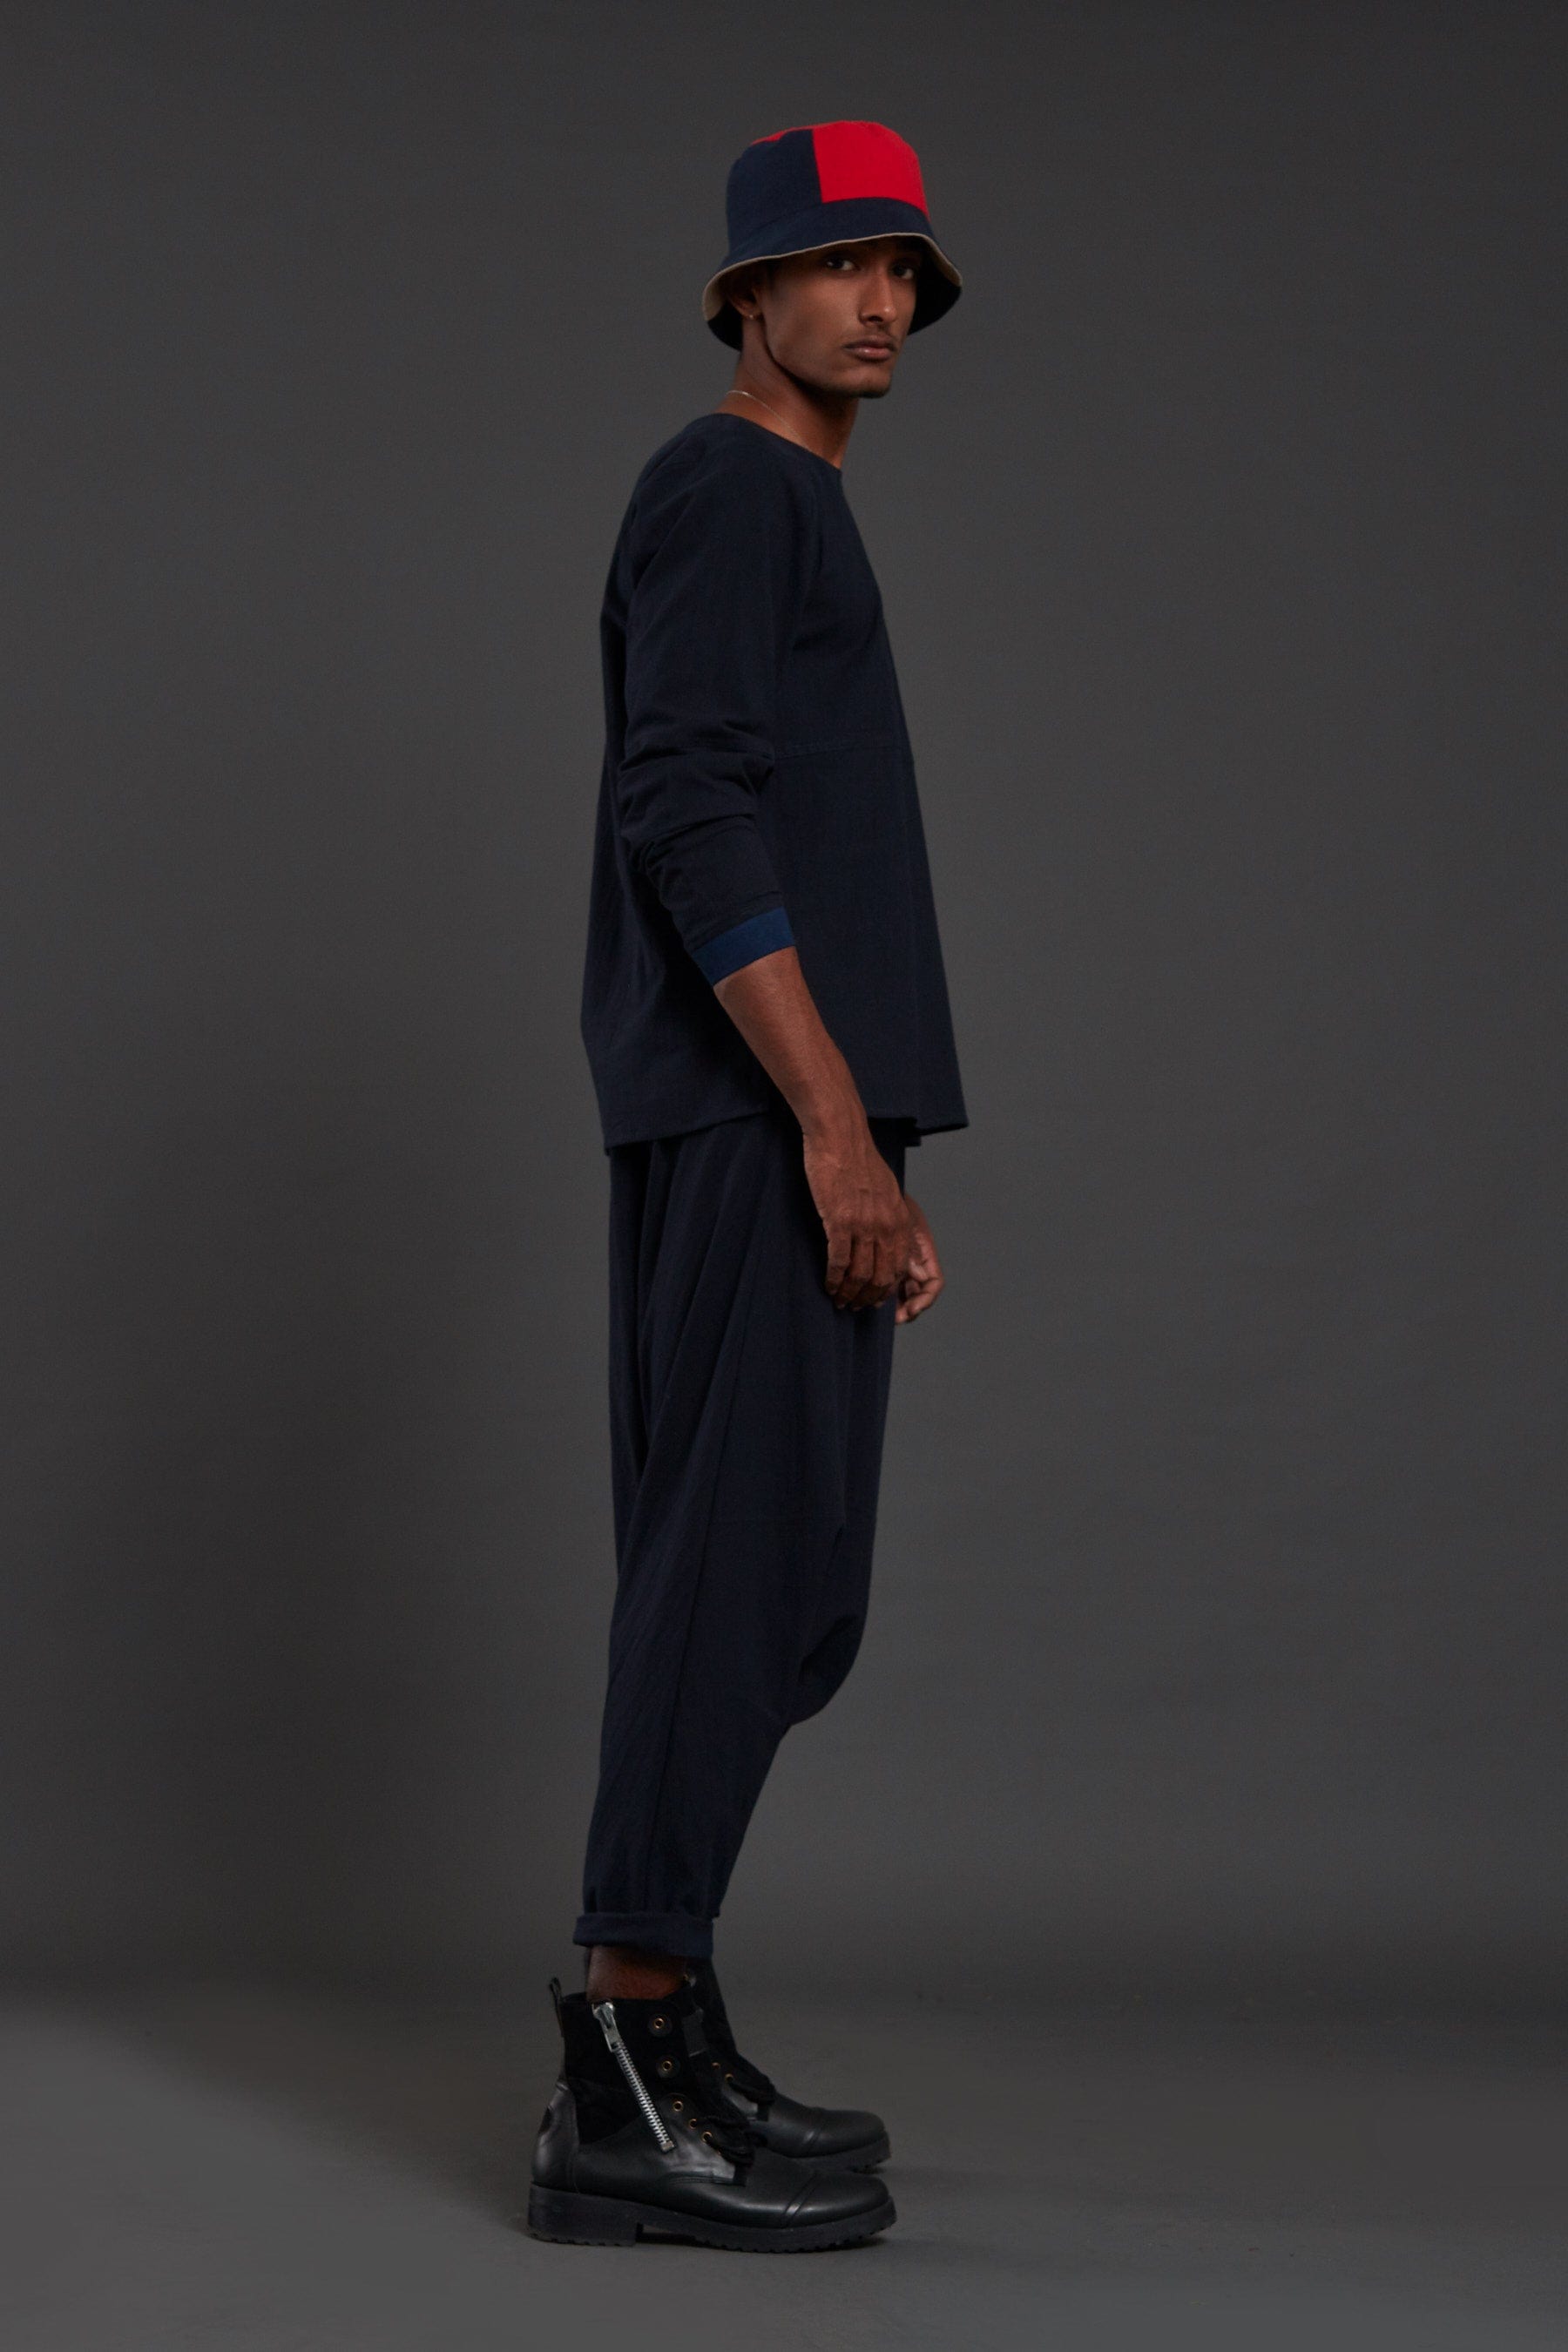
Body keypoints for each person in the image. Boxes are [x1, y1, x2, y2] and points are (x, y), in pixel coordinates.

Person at [528, 119, 969, 2254]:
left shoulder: (789, 501)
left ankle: (667, 2020)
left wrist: (851, 1122)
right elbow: (687, 808)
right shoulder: (728, 487)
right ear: (745, 294)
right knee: (733, 1568)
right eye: (836, 264)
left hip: (771, 1112)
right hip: (753, 1115)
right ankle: (619, 2068)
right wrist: (827, 1121)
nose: (878, 303)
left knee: (774, 1576)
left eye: (904, 272)